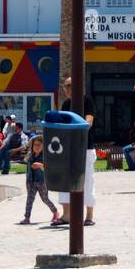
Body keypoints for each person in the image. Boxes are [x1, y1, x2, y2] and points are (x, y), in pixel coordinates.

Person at [58, 76, 96, 226]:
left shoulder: (87, 101)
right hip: (68, 148)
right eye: (66, 86)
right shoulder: (66, 104)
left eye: (69, 85)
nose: (66, 89)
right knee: (64, 181)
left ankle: (89, 214)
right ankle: (66, 214)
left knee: (87, 181)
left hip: (85, 147)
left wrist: (77, 128)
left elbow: (89, 121)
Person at [18, 135, 59, 226]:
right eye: (35, 145)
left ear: (43, 146)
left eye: (39, 145)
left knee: (45, 199)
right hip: (31, 182)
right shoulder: (30, 156)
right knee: (29, 200)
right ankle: (27, 218)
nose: (36, 147)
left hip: (42, 182)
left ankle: (55, 212)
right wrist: (27, 181)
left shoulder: (45, 156)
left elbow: (48, 169)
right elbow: (28, 170)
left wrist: (40, 165)